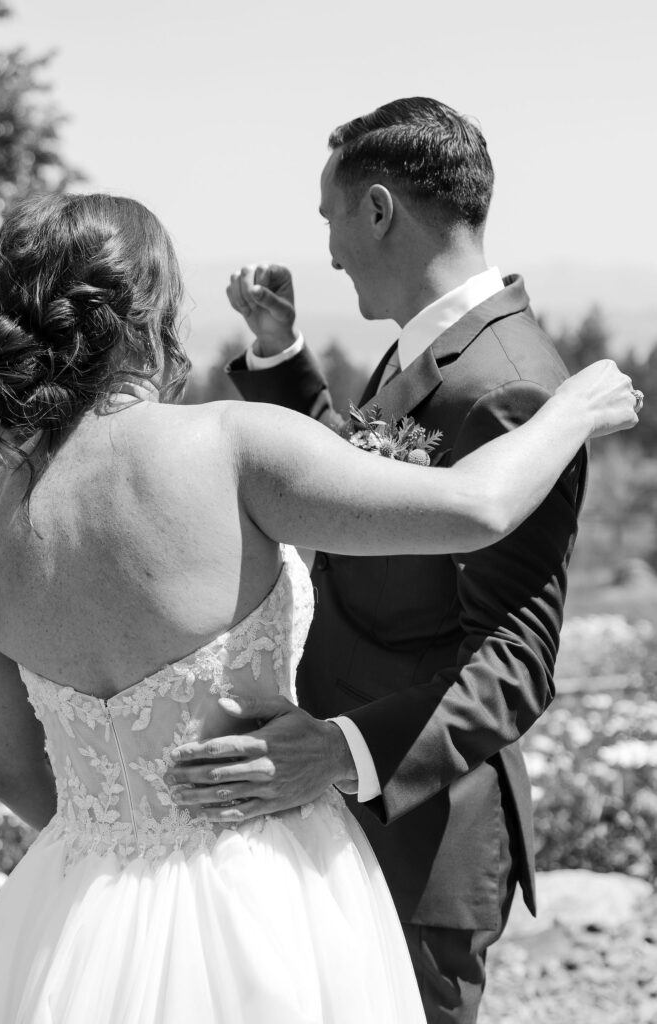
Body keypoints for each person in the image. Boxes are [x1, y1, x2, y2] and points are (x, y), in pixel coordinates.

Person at [0, 189, 638, 1024]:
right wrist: (571, 411)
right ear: (151, 308)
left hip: (76, 916)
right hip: (261, 890)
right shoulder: (225, 445)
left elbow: (12, 774)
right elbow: (475, 507)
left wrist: (126, 848)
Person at [168, 97, 644, 1023]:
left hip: (422, 835)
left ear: (378, 209)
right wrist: (284, 359)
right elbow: (370, 483)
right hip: (358, 812)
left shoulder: (505, 386)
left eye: (330, 219)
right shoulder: (441, 348)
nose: (331, 250)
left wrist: (338, 754)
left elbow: (512, 659)